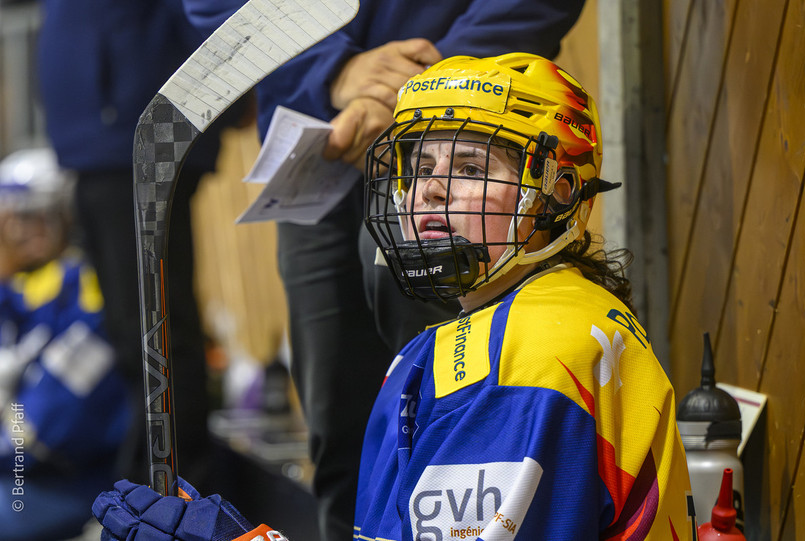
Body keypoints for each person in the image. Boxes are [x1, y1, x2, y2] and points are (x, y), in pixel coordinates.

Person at [92, 53, 697, 541]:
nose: (430, 189)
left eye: (469, 167)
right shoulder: (521, 320)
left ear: (558, 191)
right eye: (422, 165)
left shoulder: (528, 352)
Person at [180, 3, 586, 540]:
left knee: (464, 419)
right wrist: (331, 70)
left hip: (471, 125)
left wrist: (432, 89)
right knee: (337, 425)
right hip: (319, 139)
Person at [35, 0, 238, 490]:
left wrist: (228, 87)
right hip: (95, 140)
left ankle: (174, 494)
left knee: (156, 331)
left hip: (141, 131)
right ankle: (148, 491)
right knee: (134, 333)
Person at [0, 148, 130, 540]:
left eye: (35, 214)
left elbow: (38, 431)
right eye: (13, 217)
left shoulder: (91, 297)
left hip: (71, 487)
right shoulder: (21, 293)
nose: (20, 230)